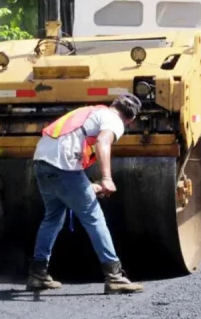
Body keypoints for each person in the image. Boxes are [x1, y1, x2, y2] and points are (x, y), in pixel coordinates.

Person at [26, 94, 145, 295]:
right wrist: (106, 178)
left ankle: (37, 273)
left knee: (53, 217)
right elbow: (102, 142)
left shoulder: (91, 111)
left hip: (41, 160)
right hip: (62, 165)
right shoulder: (113, 119)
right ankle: (114, 276)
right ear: (130, 119)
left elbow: (69, 185)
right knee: (94, 217)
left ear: (113, 104)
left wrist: (92, 187)